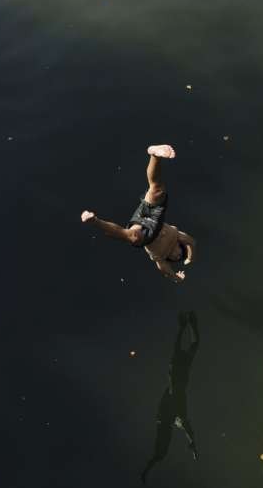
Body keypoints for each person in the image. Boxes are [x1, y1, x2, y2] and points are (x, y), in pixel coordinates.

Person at [81, 144, 196, 283]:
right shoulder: (178, 236)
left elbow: (165, 270)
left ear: (169, 259)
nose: (177, 256)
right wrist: (189, 257)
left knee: (132, 237)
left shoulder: (160, 258)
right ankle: (155, 155)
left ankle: (94, 220)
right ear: (180, 246)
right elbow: (191, 242)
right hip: (156, 218)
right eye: (179, 254)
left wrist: (176, 278)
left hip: (146, 235)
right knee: (157, 189)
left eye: (176, 258)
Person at [141, 311, 200, 484]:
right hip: (177, 381)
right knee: (191, 347)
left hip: (176, 383)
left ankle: (189, 324)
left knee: (190, 348)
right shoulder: (176, 416)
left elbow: (185, 430)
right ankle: (189, 324)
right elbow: (186, 430)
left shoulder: (173, 414)